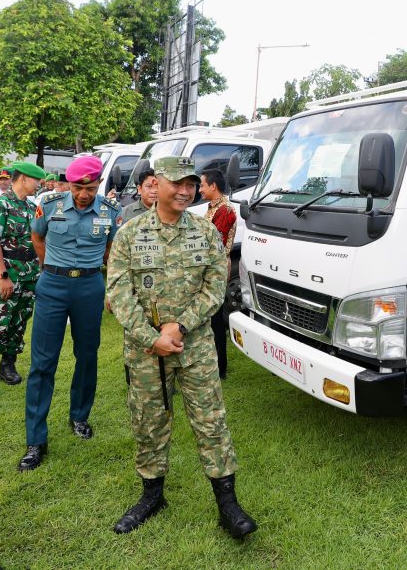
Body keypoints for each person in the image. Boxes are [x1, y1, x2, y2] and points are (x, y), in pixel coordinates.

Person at [107, 157, 256, 539]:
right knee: (148, 422)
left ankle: (228, 504)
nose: (186, 191)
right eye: (178, 183)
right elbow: (119, 293)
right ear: (156, 184)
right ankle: (152, 495)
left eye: (191, 184)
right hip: (146, 352)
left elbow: (215, 285)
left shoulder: (205, 232)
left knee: (211, 421)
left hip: (197, 349)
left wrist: (181, 324)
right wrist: (151, 337)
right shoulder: (130, 233)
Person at [18, 155, 120, 471]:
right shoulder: (49, 205)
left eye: (90, 187)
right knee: (43, 362)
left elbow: (111, 250)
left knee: (87, 355)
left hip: (89, 286)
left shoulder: (110, 211)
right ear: (68, 184)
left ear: (99, 184)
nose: (84, 194)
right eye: (78, 187)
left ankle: (79, 416)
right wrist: (53, 267)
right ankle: (36, 438)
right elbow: (37, 237)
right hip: (53, 286)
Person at [0, 161, 44, 386]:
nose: (39, 185)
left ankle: (7, 365)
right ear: (24, 178)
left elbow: (37, 241)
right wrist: (2, 277)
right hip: (6, 274)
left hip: (29, 275)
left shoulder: (31, 207)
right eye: (37, 180)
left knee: (18, 321)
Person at [200, 168, 236, 379]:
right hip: (208, 268)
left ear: (213, 186)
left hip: (216, 270)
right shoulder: (213, 208)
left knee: (215, 318)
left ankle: (220, 368)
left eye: (203, 185)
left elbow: (215, 243)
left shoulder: (225, 210)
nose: (200, 190)